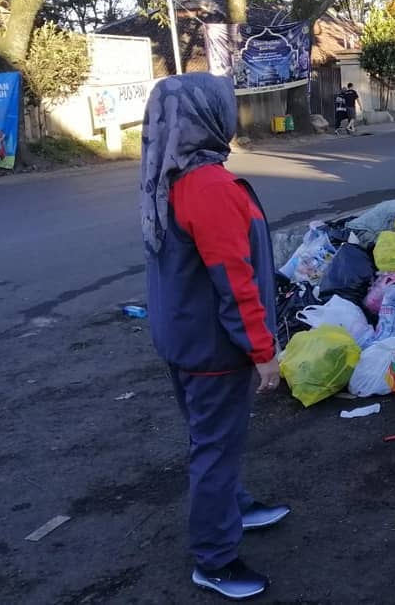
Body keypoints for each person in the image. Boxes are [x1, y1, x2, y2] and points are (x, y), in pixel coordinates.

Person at [140, 73, 289, 601]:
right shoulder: (207, 186)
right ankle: (215, 558)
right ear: (206, 117)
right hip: (215, 351)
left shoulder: (169, 176)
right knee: (214, 448)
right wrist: (263, 352)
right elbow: (235, 280)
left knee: (212, 443)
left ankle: (233, 505)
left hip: (185, 342)